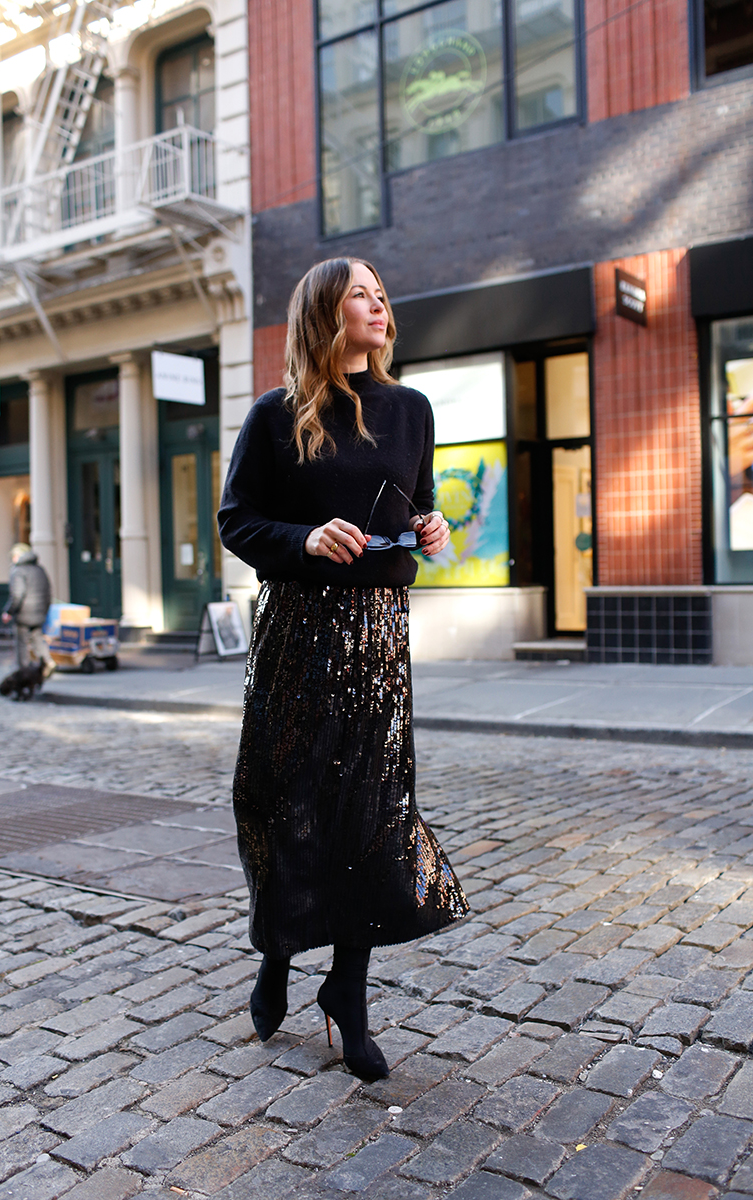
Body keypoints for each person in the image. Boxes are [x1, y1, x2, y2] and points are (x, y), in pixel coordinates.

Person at [218, 257, 469, 1082]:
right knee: (283, 801)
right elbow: (237, 521)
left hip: (378, 642)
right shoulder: (276, 415)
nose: (379, 303)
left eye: (383, 293)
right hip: (297, 635)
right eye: (361, 292)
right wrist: (304, 540)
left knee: (369, 814)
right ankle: (279, 954)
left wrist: (429, 530)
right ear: (325, 311)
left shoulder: (412, 409)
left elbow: (415, 501)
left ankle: (348, 991)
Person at [2, 544, 54, 678]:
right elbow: (48, 592)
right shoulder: (39, 569)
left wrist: (9, 611)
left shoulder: (18, 571)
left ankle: (23, 672)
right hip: (39, 612)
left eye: (14, 556)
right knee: (37, 638)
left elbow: (17, 595)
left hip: (24, 614)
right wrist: (45, 610)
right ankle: (47, 661)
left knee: (22, 644)